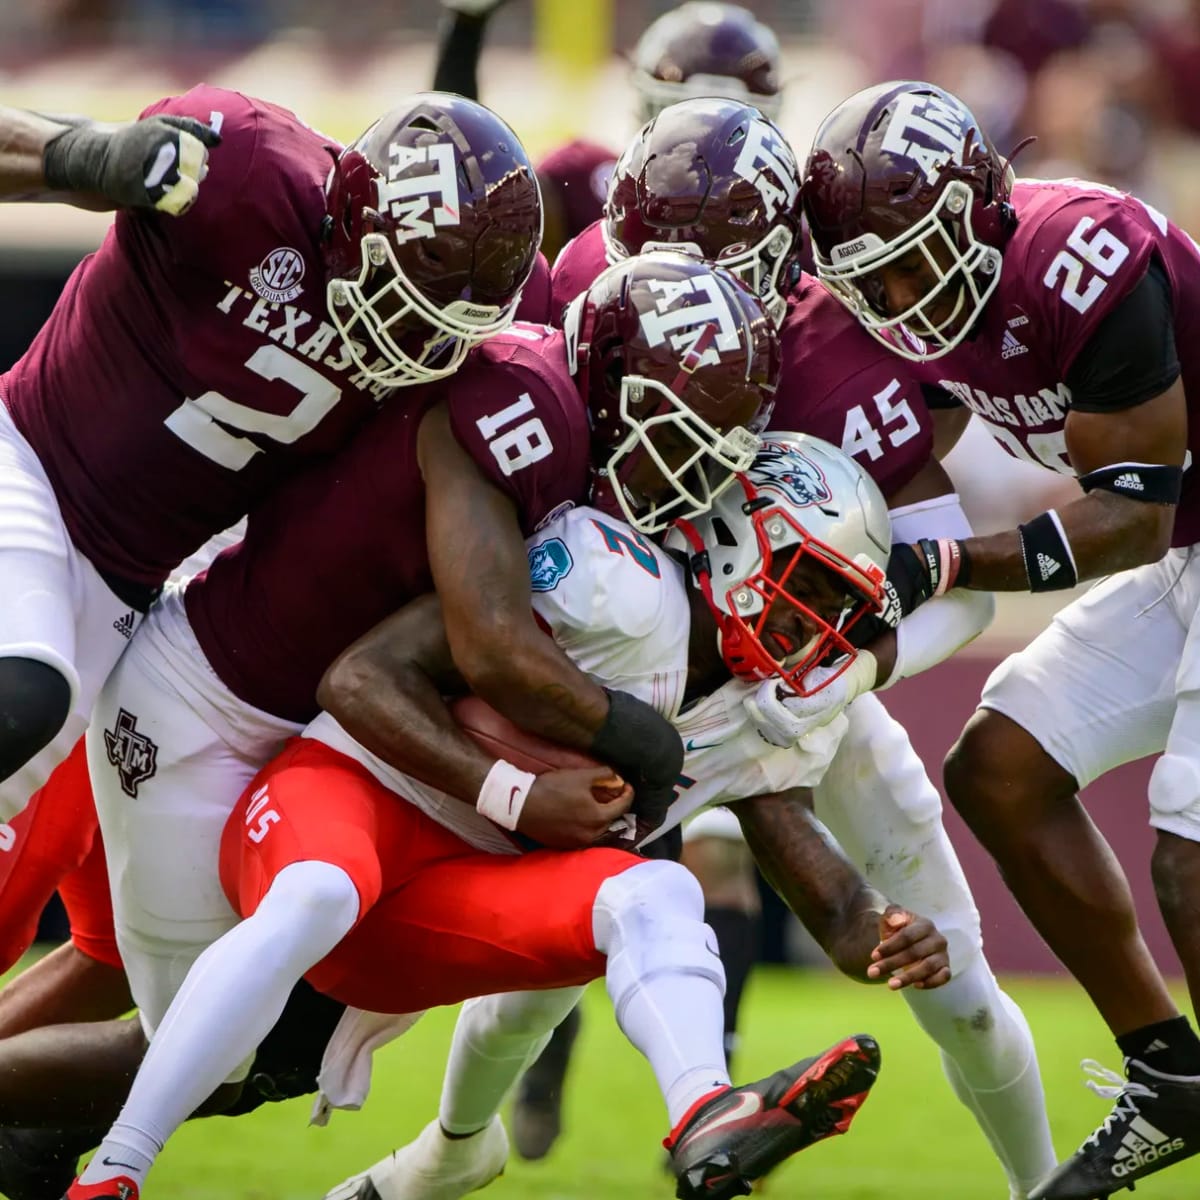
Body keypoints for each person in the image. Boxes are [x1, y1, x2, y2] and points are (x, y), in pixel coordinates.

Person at [2, 251, 772, 1200]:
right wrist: (632, 743)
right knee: (202, 1045)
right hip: (200, 709)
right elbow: (487, 645)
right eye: (676, 437)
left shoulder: (571, 438)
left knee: (197, 1019)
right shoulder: (525, 405)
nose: (683, 475)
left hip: (299, 720)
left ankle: (42, 1148)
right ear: (612, 378)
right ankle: (66, 1148)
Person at [522, 96, 1057, 1199]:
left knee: (953, 982)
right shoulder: (580, 288)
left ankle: (1045, 1183)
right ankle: (446, 1154)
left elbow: (945, 579)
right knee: (526, 979)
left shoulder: (852, 351)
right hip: (641, 675)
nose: (670, 300)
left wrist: (838, 670)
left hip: (811, 687)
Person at [200, 434, 950, 1200]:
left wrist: (886, 934)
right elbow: (375, 672)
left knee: (625, 914)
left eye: (839, 607)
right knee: (204, 1070)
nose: (815, 623)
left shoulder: (777, 710)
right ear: (736, 534)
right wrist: (511, 792)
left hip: (509, 896)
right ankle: (436, 1158)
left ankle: (604, 1127)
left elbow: (829, 897)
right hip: (380, 841)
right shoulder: (609, 580)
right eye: (812, 585)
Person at [803, 78, 1200, 1197]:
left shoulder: (1084, 254)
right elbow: (890, 450)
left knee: (1192, 856)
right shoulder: (896, 310)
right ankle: (1172, 1078)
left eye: (914, 260)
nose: (895, 297)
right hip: (1189, 556)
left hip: (1167, 532)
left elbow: (1130, 515)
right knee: (1001, 766)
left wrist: (939, 564)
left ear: (981, 207)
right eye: (867, 277)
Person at [0, 84, 544, 825]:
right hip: (29, 461)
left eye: (445, 328)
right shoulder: (246, 174)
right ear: (350, 225)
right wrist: (85, 154)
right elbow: (28, 150)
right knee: (24, 692)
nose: (419, 348)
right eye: (402, 301)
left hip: (126, 581)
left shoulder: (461, 300)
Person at [432, 0, 783, 261]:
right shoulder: (585, 179)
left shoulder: (789, 220)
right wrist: (464, 33)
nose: (701, 144)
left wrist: (466, 26)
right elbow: (473, 198)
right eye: (684, 115)